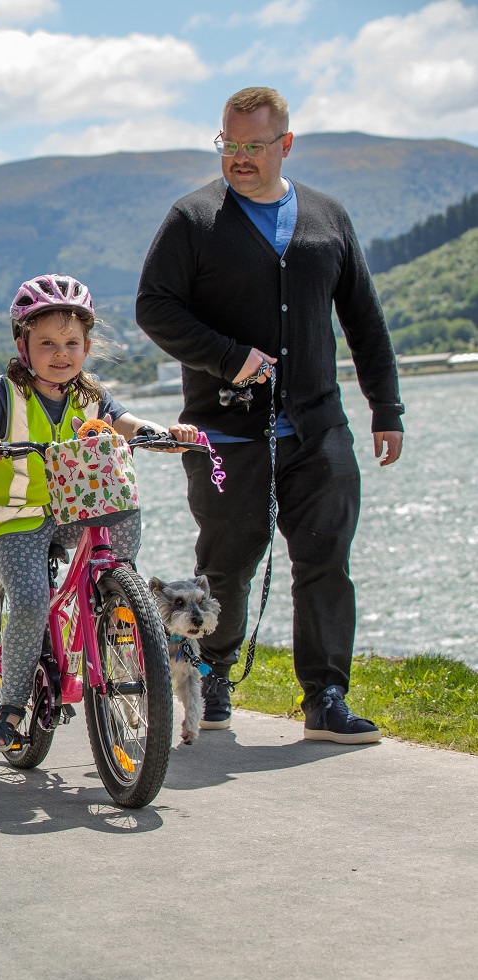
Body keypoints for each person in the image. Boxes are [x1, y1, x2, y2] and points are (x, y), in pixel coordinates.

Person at [136, 86, 404, 744]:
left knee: (325, 561)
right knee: (227, 565)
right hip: (225, 434)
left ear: (285, 144)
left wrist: (386, 408)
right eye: (229, 145)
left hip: (318, 428)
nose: (240, 158)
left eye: (254, 146)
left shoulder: (326, 218)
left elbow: (364, 320)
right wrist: (231, 359)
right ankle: (215, 678)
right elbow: (155, 308)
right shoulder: (193, 219)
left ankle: (326, 698)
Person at [0, 275, 197, 751]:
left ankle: (114, 598)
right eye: (46, 343)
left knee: (121, 513)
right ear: (23, 345)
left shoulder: (90, 395)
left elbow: (129, 424)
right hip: (16, 515)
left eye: (71, 342)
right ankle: (10, 704)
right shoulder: (7, 392)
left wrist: (168, 434)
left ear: (86, 346)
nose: (60, 353)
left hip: (74, 509)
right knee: (30, 602)